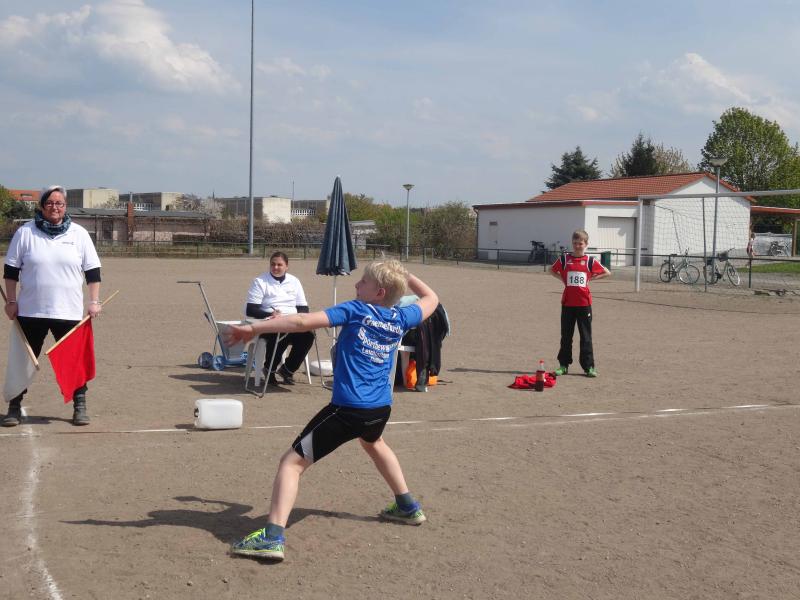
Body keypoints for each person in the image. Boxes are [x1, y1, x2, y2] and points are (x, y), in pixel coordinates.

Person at [223, 260, 438, 562]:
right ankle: (407, 506)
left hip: (348, 410)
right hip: (380, 409)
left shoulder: (356, 310)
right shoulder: (401, 316)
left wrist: (253, 328)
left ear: (379, 292)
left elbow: (301, 322)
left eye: (363, 282)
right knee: (373, 442)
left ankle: (271, 537)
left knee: (291, 464)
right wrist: (405, 274)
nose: (356, 285)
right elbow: (431, 298)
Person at [2, 185, 102, 427]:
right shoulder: (25, 232)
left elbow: (93, 272)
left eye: (59, 203)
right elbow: (11, 271)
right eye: (50, 203)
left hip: (68, 311)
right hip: (30, 310)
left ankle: (79, 405)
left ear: (65, 207)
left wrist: (94, 301)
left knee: (73, 361)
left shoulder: (79, 234)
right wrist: (11, 301)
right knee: (23, 360)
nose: (54, 207)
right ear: (42, 206)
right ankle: (14, 406)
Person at [245, 251, 314, 385]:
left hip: (292, 321)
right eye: (273, 264)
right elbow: (251, 309)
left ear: (286, 266)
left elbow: (303, 307)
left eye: (279, 265)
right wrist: (269, 314)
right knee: (281, 332)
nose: (275, 267)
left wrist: (301, 319)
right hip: (268, 323)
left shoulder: (294, 281)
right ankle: (269, 369)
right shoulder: (260, 281)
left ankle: (287, 370)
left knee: (308, 335)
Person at [550, 229, 610, 378]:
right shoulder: (564, 259)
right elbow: (551, 270)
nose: (577, 246)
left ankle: (589, 367)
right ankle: (563, 365)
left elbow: (607, 272)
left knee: (586, 337)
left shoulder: (590, 261)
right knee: (566, 336)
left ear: (586, 244)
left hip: (584, 304)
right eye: (575, 243)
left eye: (580, 243)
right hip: (568, 304)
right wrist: (563, 279)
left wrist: (591, 279)